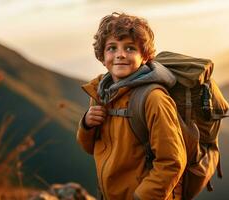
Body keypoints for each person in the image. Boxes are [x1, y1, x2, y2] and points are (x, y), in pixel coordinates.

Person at [76, 12, 187, 200]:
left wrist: (141, 197)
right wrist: (86, 125)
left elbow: (172, 161)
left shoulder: (153, 99)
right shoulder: (102, 93)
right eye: (112, 48)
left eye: (130, 48)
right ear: (102, 57)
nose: (120, 54)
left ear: (144, 56)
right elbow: (91, 148)